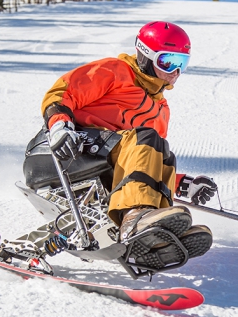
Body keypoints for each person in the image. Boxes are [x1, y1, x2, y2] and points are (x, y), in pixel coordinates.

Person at [39, 21, 218, 270]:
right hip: (69, 151)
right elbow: (61, 93)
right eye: (168, 62)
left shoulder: (160, 110)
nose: (175, 72)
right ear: (145, 55)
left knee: (163, 152)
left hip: (106, 165)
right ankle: (136, 218)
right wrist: (59, 126)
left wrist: (182, 184)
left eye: (182, 64)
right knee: (145, 138)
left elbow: (145, 161)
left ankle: (156, 234)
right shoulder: (115, 71)